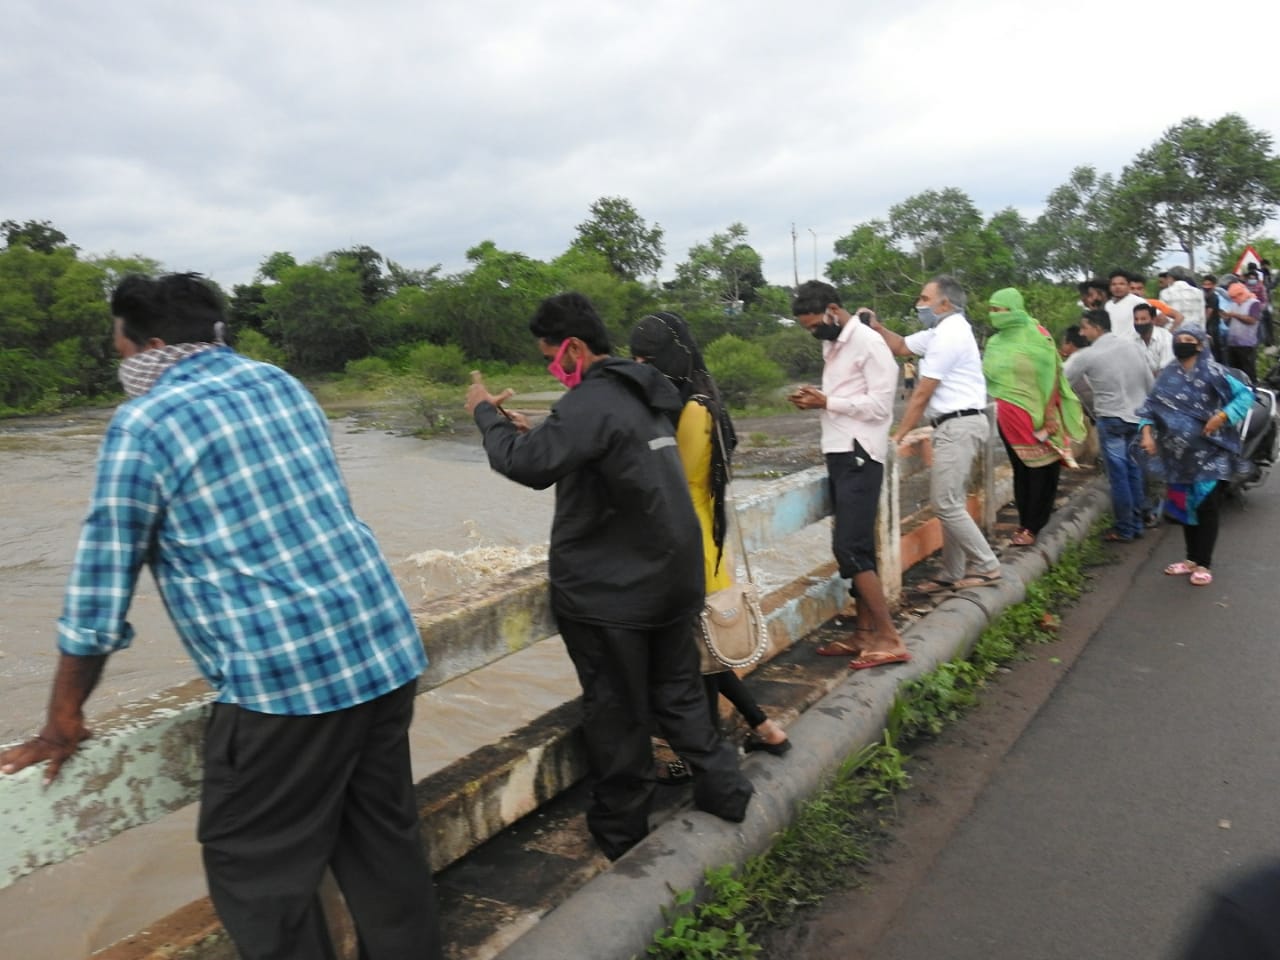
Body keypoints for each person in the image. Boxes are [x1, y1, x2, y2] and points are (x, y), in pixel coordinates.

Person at [0, 273, 444, 960]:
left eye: (119, 349)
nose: (121, 365)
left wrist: (62, 721)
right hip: (382, 646)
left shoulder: (145, 423)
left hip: (287, 683)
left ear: (146, 344)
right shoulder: (278, 382)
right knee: (383, 848)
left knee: (256, 870)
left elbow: (100, 585)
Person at [466, 291, 752, 861]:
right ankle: (730, 794)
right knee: (679, 699)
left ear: (572, 347)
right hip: (674, 580)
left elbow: (526, 465)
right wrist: (532, 430)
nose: (552, 366)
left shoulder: (590, 401)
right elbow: (581, 451)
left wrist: (483, 412)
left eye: (551, 355)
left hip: (613, 594)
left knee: (616, 713)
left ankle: (623, 840)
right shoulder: (641, 393)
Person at [628, 311, 790, 754]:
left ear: (671, 355)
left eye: (650, 358)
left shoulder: (694, 409)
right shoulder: (701, 392)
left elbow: (674, 477)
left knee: (700, 655)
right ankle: (762, 729)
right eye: (636, 358)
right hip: (705, 534)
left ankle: (713, 753)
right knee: (705, 654)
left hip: (690, 538)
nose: (643, 367)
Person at [787, 281, 912, 669]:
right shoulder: (834, 342)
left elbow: (879, 407)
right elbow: (846, 396)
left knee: (849, 548)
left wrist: (828, 401)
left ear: (833, 310)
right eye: (807, 329)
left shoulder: (871, 344)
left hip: (860, 451)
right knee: (858, 544)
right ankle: (863, 633)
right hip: (840, 449)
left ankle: (889, 637)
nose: (813, 334)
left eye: (815, 325)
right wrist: (819, 401)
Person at [870, 275, 1003, 592]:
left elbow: (922, 394)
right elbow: (901, 345)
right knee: (952, 501)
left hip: (958, 424)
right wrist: (876, 328)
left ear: (945, 303)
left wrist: (898, 436)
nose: (919, 304)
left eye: (924, 298)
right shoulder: (941, 332)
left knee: (944, 502)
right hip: (954, 424)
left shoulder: (949, 337)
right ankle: (952, 572)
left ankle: (988, 565)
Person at [1138, 323, 1253, 587]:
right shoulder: (1167, 374)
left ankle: (1204, 563)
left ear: (1200, 344)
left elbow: (1245, 395)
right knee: (1183, 508)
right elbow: (1150, 407)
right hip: (1176, 458)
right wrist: (1146, 434)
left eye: (1189, 339)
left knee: (1205, 507)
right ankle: (1190, 559)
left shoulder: (1215, 372)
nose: (1183, 343)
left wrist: (1222, 416)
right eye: (1180, 339)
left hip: (1210, 455)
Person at [982, 288, 1086, 547]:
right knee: (1021, 471)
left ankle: (1033, 525)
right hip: (1007, 417)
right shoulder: (995, 342)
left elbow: (1052, 376)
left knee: (1041, 470)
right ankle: (1025, 522)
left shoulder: (1039, 336)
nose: (994, 315)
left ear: (1014, 309)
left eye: (999, 309)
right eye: (992, 310)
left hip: (1038, 416)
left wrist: (1050, 414)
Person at [1065, 309, 1154, 542]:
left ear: (1096, 327)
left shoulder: (1088, 355)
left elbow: (1062, 382)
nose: (1082, 333)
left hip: (1111, 418)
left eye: (1084, 327)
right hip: (1136, 417)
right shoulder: (1133, 347)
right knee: (1133, 471)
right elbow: (1150, 383)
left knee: (1119, 476)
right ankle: (1137, 523)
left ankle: (1125, 528)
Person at [1223, 277, 1263, 382]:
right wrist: (1226, 317)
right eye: (1232, 297)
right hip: (1233, 343)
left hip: (1247, 344)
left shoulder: (1254, 303)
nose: (1235, 299)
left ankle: (1252, 390)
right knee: (1235, 371)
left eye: (1236, 296)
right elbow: (1229, 320)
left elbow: (1252, 320)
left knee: (1248, 371)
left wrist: (1235, 315)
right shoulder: (1234, 304)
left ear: (1242, 293)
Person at [1131, 301, 1176, 375]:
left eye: (1143, 319)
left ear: (1153, 320)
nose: (1139, 323)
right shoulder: (1132, 339)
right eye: (1136, 319)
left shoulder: (1166, 338)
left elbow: (1166, 370)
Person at [1160, 266, 1206, 330]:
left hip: (1175, 332)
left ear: (1170, 278)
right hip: (1194, 332)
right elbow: (1202, 316)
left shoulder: (1165, 293)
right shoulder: (1198, 292)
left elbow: (1163, 316)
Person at [1106, 268, 1147, 339]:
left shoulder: (1137, 302)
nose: (1117, 287)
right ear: (1110, 287)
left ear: (1128, 286)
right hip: (1113, 346)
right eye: (1114, 284)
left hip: (1132, 346)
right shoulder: (1108, 305)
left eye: (1121, 284)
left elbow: (1158, 319)